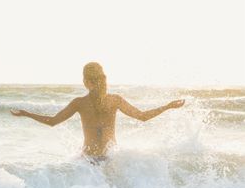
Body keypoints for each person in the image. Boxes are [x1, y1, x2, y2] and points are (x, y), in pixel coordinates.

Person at [11, 62, 185, 158]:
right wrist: (168, 106)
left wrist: (27, 114)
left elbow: (52, 122)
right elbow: (143, 117)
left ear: (86, 81)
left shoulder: (79, 103)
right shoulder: (115, 100)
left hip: (88, 163)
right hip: (111, 160)